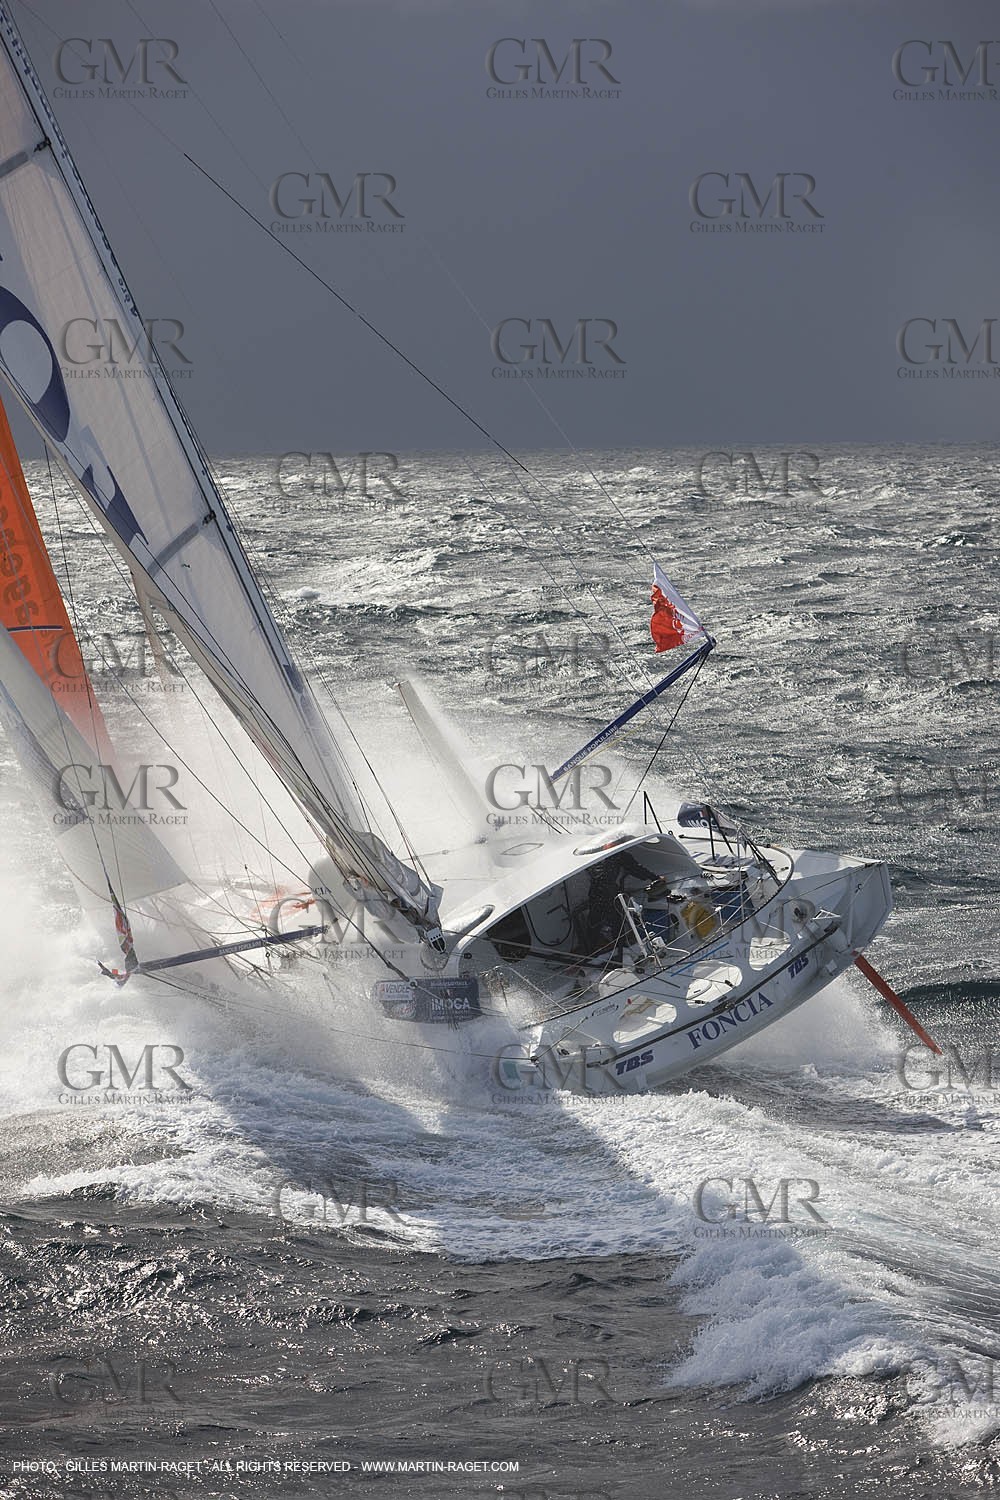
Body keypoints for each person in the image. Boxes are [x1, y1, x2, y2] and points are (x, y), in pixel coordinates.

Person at [579, 851, 657, 958]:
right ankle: (620, 950)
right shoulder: (617, 854)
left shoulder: (595, 853)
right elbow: (635, 868)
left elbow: (634, 868)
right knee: (614, 922)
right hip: (608, 893)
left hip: (596, 893)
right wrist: (654, 877)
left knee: (596, 921)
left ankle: (591, 951)